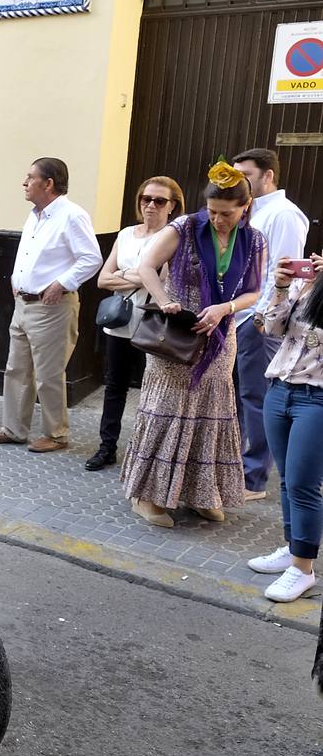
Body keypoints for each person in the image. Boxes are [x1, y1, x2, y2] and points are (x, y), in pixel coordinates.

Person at [122, 160, 267, 528]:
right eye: (213, 212)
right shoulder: (184, 228)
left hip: (220, 338)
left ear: (244, 208)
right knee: (167, 412)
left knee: (211, 415)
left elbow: (254, 291)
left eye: (227, 214)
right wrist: (163, 298)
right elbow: (147, 266)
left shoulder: (253, 240)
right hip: (177, 335)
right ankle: (148, 495)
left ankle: (201, 493)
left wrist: (225, 308)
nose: (218, 220)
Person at [0, 158, 101, 453]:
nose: (24, 182)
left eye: (30, 177)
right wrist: (16, 280)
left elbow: (91, 258)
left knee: (48, 373)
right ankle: (14, 428)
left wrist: (61, 284)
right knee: (16, 369)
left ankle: (56, 434)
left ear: (49, 183)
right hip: (24, 303)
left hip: (52, 307)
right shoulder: (35, 215)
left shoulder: (72, 215)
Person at [86, 177, 182, 471]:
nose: (151, 205)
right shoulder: (126, 234)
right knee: (114, 386)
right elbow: (103, 279)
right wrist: (140, 274)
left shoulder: (173, 236)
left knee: (152, 389)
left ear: (172, 206)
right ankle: (107, 447)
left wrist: (127, 274)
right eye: (146, 198)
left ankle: (146, 453)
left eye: (159, 200)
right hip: (120, 322)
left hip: (154, 324)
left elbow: (162, 279)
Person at [230, 148, 309, 501]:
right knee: (234, 395)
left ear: (268, 176)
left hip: (257, 321)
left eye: (245, 175)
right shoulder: (250, 211)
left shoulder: (284, 214)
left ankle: (254, 478)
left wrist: (260, 318)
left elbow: (284, 273)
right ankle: (233, 467)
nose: (239, 182)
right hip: (237, 315)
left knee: (255, 398)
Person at [249, 252, 323, 601]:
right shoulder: (305, 284)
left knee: (304, 483)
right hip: (280, 389)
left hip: (318, 398)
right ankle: (293, 549)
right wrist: (281, 286)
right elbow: (270, 327)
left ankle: (303, 569)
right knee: (287, 482)